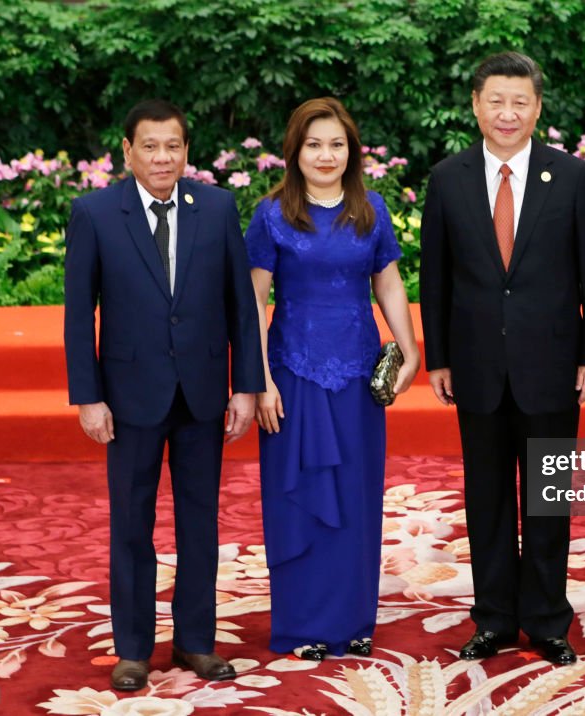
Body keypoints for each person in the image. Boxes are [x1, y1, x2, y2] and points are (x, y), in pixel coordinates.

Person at [419, 52, 585, 666]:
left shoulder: (573, 176)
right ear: (475, 105)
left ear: (536, 108)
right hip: (475, 366)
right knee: (487, 499)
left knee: (548, 497)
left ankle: (548, 619)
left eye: (520, 102)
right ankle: (495, 619)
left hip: (553, 365)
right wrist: (439, 357)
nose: (508, 113)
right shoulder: (447, 179)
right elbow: (435, 276)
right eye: (496, 101)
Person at [64, 99, 263, 691]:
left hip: (202, 392)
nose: (162, 157)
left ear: (186, 151)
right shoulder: (96, 213)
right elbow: (80, 315)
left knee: (200, 522)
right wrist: (88, 396)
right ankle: (132, 648)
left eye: (172, 146)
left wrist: (246, 386)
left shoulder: (217, 207)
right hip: (128, 396)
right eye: (149, 146)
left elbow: (240, 307)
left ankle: (196, 641)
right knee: (132, 522)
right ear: (127, 151)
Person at [244, 97, 420, 661]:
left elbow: (387, 284)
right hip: (291, 378)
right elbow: (253, 300)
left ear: (352, 151)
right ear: (294, 151)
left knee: (356, 497)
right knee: (297, 500)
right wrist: (259, 380)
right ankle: (302, 627)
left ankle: (351, 622)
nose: (326, 155)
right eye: (314, 144)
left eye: (337, 144)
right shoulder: (272, 214)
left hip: (357, 376)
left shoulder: (371, 209)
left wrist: (410, 349)